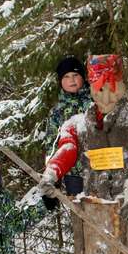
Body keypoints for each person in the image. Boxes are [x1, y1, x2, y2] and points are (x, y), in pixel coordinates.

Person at [38, 54, 128, 254]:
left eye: (112, 89)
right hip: (92, 201)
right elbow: (66, 149)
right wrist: (52, 174)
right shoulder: (76, 123)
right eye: (99, 89)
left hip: (124, 200)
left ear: (122, 88)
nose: (105, 98)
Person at [44, 55, 92, 194]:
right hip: (74, 174)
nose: (71, 80)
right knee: (80, 212)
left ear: (83, 77)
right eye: (66, 76)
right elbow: (51, 144)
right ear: (60, 81)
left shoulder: (98, 100)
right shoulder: (57, 111)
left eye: (75, 75)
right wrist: (53, 178)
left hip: (102, 166)